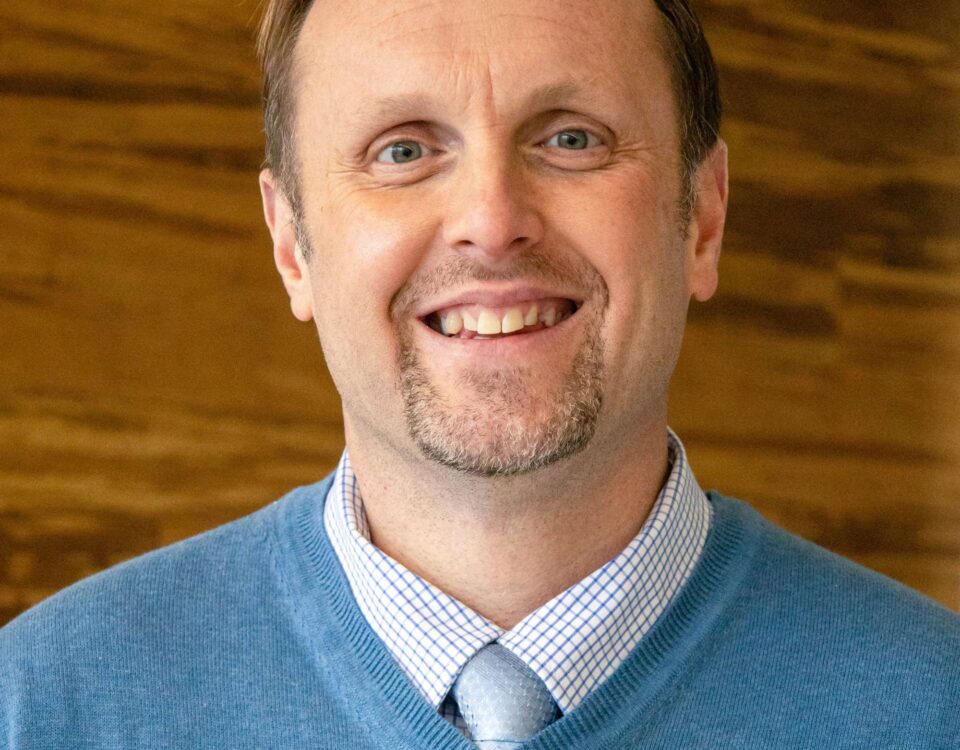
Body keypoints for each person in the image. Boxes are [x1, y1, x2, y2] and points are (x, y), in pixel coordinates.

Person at [2, 0, 958, 747]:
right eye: (403, 151)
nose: (492, 221)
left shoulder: (933, 709)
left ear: (702, 220)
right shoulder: (44, 708)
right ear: (291, 244)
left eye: (571, 138)